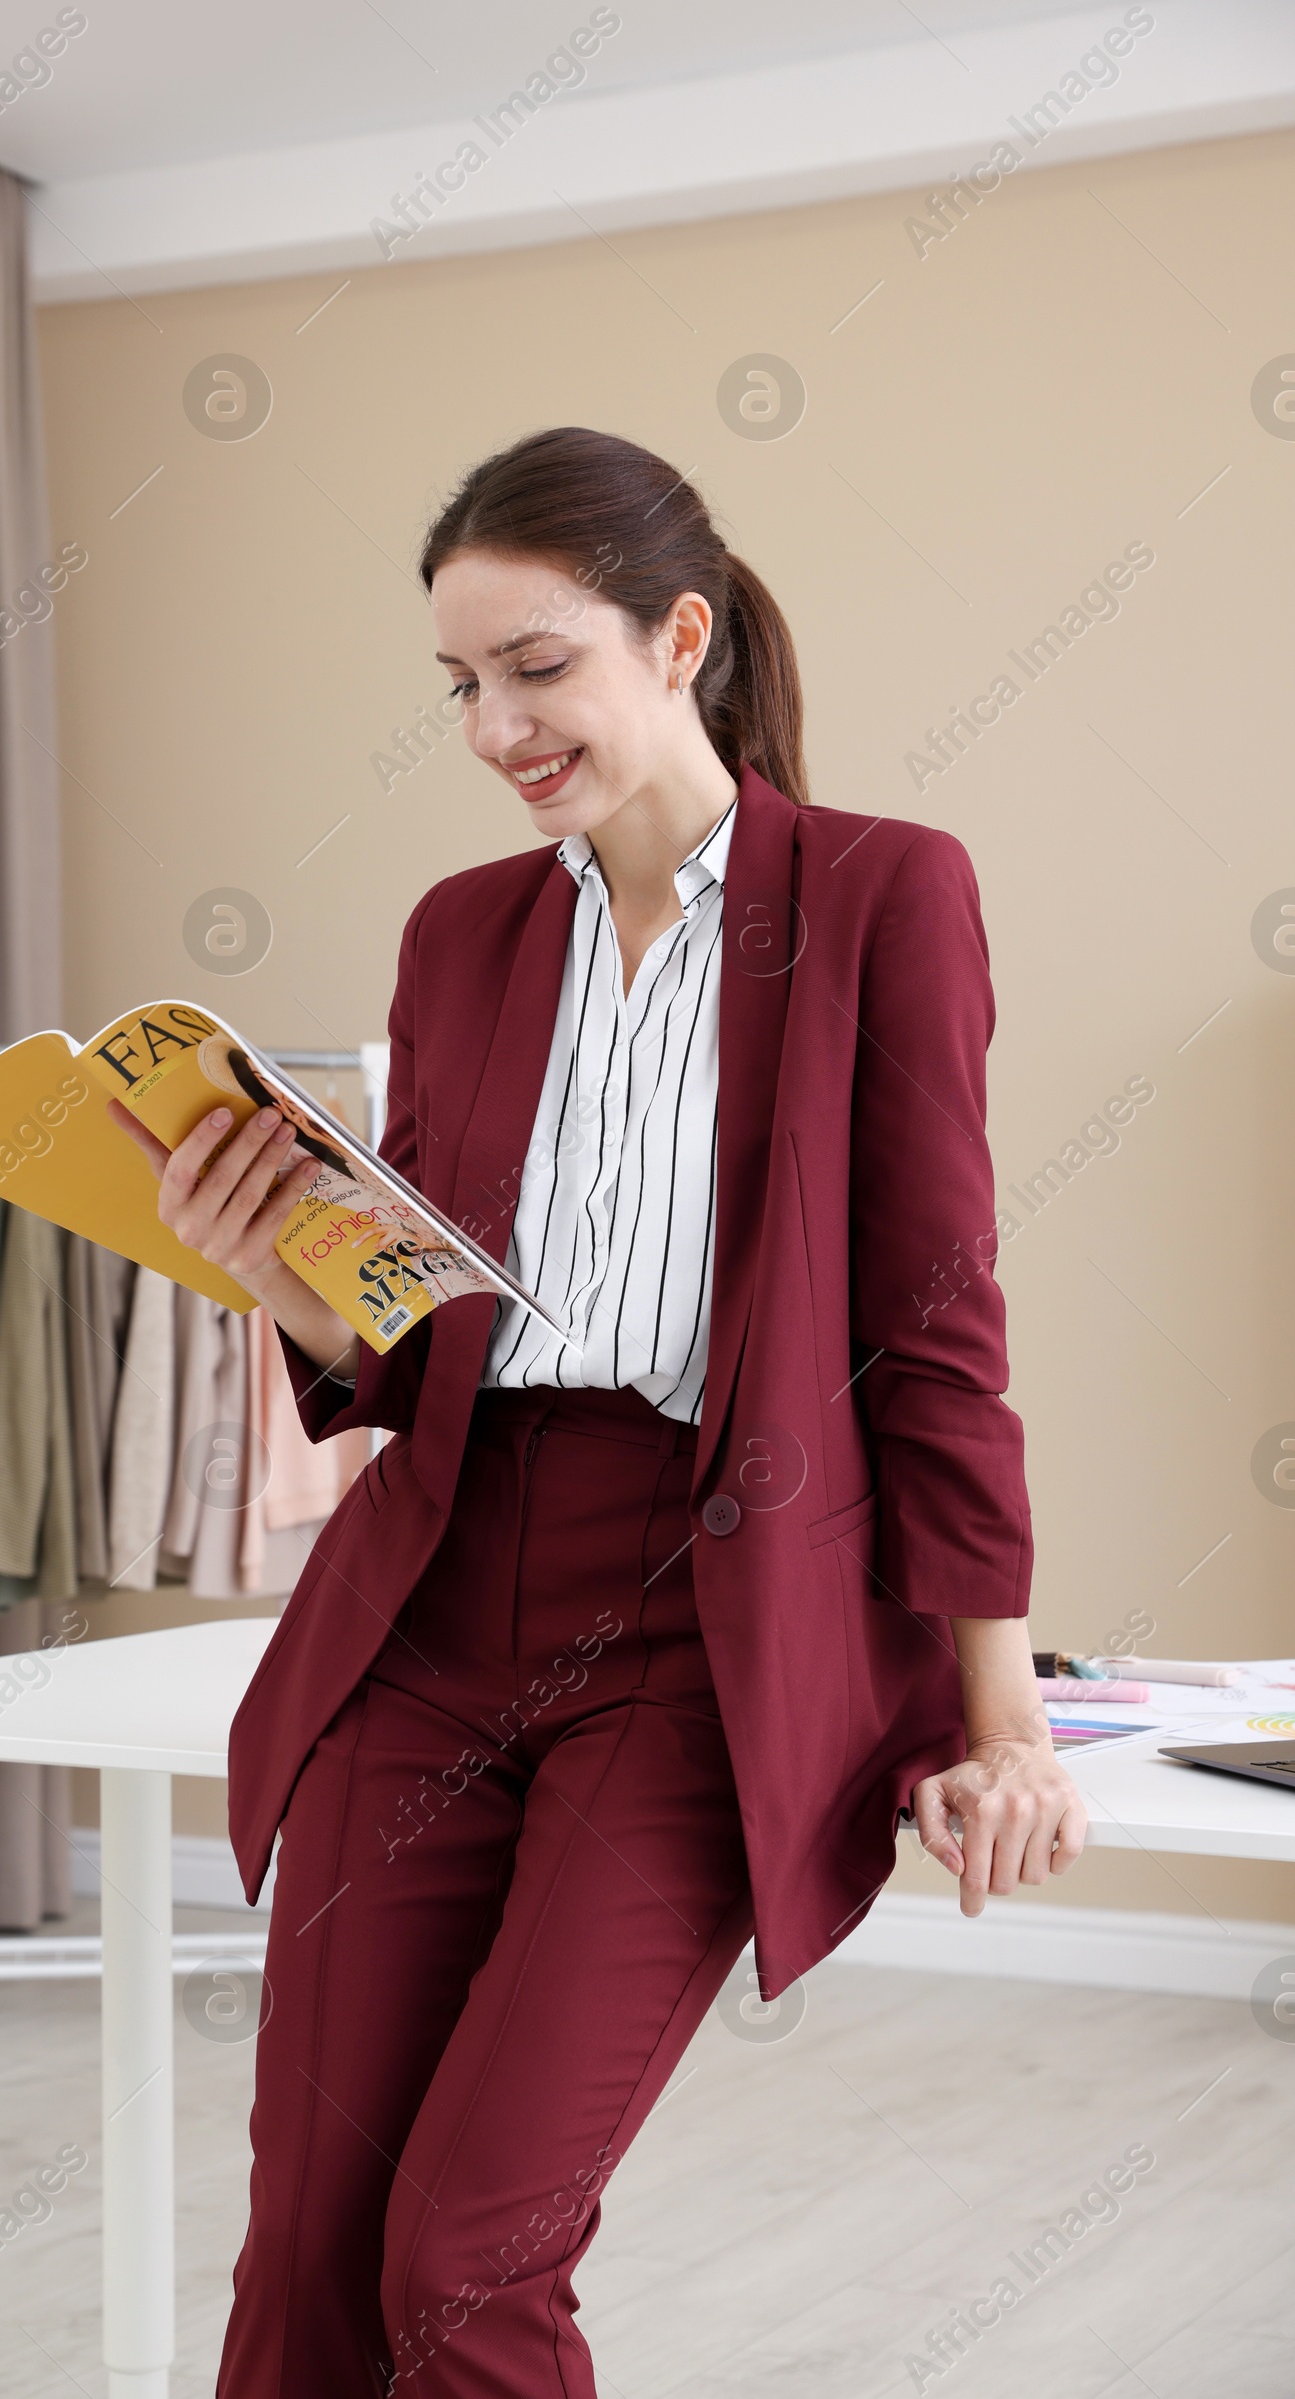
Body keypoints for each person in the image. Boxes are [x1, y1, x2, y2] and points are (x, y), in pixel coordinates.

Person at [111, 426, 1086, 2399]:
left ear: (679, 637)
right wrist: (259, 1268)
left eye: (534, 667)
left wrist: (1000, 1719)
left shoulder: (882, 897)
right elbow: (409, 1341)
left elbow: (933, 1329)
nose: (492, 727)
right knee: (307, 2243)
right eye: (460, 686)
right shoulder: (458, 937)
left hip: (686, 1637)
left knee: (462, 2255)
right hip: (431, 1606)